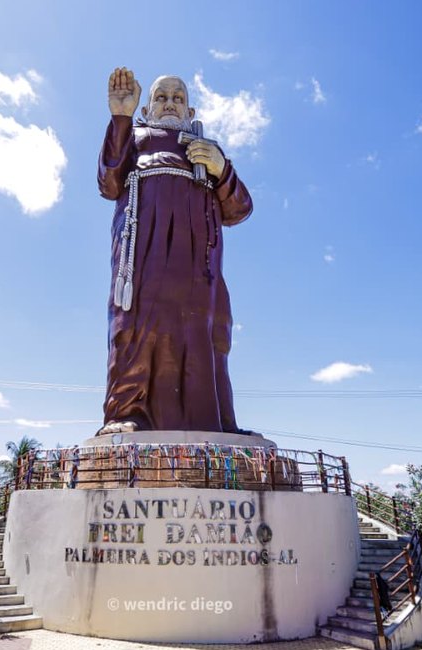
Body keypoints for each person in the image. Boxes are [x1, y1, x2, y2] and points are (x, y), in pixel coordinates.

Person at [98, 67, 253, 435]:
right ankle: (127, 413)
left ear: (191, 113)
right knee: (135, 328)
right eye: (161, 97)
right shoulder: (134, 140)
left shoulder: (207, 153)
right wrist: (120, 118)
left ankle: (213, 423)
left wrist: (222, 170)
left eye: (178, 97)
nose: (170, 103)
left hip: (199, 267)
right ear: (146, 109)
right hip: (142, 257)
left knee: (205, 334)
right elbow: (108, 183)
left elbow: (240, 209)